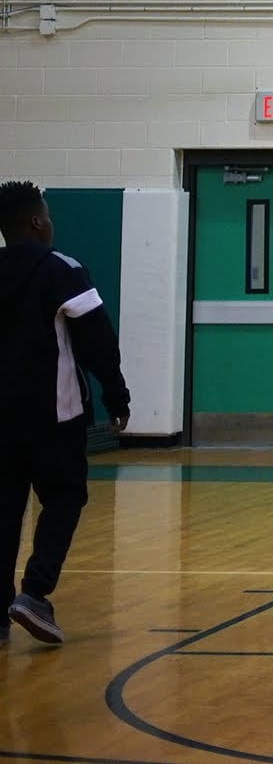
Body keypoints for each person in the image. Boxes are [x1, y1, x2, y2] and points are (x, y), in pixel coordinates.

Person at [0, 181, 130, 647]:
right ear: (36, 221)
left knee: (4, 509)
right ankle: (34, 593)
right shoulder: (63, 270)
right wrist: (117, 398)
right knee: (64, 496)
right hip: (53, 415)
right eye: (48, 215)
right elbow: (98, 342)